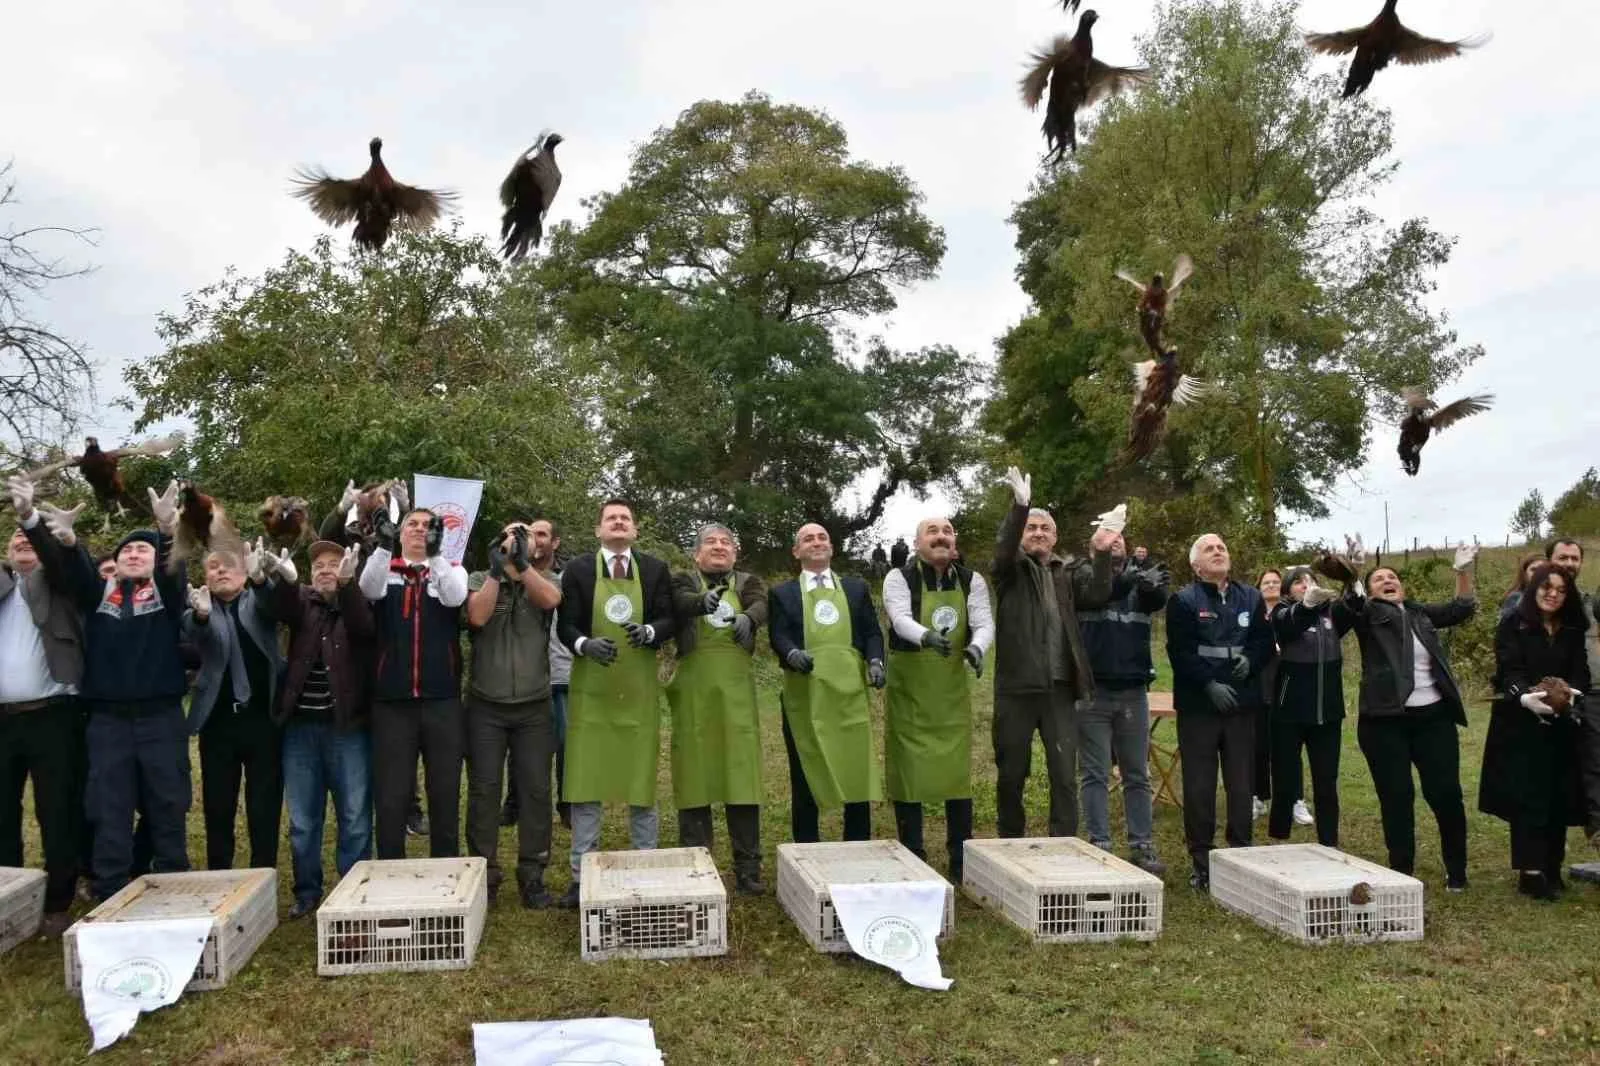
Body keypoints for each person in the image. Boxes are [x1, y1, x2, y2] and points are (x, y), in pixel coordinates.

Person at [56, 481, 192, 900]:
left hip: (160, 719)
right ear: (116, 562)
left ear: (155, 562)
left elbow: (175, 574)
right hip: (108, 723)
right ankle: (110, 888)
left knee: (167, 803)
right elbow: (75, 570)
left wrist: (167, 531)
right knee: (109, 808)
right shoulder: (100, 597)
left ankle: (172, 883)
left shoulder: (167, 597)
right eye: (126, 551)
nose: (133, 554)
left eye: (143, 550)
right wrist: (66, 541)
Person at [557, 499, 676, 907]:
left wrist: (649, 631)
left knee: (640, 778)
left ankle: (646, 863)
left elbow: (670, 618)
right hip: (593, 689)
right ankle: (580, 874)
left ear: (635, 530)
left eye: (626, 518)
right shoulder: (577, 570)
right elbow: (565, 623)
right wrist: (583, 644)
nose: (619, 523)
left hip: (638, 689)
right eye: (612, 518)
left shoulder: (656, 569)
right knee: (586, 780)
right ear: (599, 530)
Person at [990, 468, 1114, 839]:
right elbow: (1003, 550)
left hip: (1060, 689)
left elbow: (1097, 594)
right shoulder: (1009, 570)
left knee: (1063, 774)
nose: (1039, 533)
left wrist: (1104, 554)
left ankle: (1065, 844)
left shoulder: (1066, 571)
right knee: (1012, 772)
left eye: (1045, 528)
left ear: (1056, 537)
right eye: (1032, 528)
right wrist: (1020, 509)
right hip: (1016, 688)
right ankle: (1009, 843)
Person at [1345, 546, 1477, 892]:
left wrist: (1462, 570)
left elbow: (1461, 609)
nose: (1388, 580)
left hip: (1434, 719)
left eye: (1392, 577)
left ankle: (1457, 871)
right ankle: (1401, 870)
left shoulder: (1419, 613)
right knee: (1397, 796)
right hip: (1385, 721)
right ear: (1372, 590)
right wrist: (1355, 574)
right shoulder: (1369, 614)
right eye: (1380, 579)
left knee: (1446, 794)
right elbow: (1351, 607)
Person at [883, 517, 994, 882]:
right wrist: (926, 636)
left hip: (950, 691)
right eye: (932, 532)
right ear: (917, 544)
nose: (941, 537)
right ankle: (912, 852)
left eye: (947, 531)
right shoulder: (899, 578)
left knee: (955, 775)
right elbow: (899, 618)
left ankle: (961, 855)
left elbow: (983, 622)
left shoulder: (971, 580)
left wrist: (977, 648)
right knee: (909, 772)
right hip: (911, 691)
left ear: (955, 542)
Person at [269, 539, 374, 919]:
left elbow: (364, 627)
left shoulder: (357, 603)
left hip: (348, 729)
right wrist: (284, 581)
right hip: (300, 731)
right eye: (319, 566)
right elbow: (278, 606)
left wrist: (348, 587)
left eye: (334, 564)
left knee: (355, 816)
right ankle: (307, 891)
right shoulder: (302, 603)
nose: (326, 570)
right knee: (302, 820)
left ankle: (353, 890)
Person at [2, 477, 87, 934]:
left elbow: (63, 563)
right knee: (2, 814)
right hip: (3, 721)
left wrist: (32, 520)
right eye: (15, 539)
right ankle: (10, 898)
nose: (22, 544)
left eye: (29, 540)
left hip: (53, 716)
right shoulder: (2, 586)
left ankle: (57, 901)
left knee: (56, 811)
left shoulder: (58, 586)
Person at [359, 507, 468, 860]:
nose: (420, 530)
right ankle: (391, 867)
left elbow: (454, 598)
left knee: (445, 789)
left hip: (442, 699)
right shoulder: (384, 570)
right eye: (413, 524)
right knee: (392, 792)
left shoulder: (452, 569)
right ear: (401, 532)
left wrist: (435, 557)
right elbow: (367, 590)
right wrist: (382, 547)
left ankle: (447, 868)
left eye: (429, 526)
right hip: (392, 701)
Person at [1165, 533, 1274, 889]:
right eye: (1209, 549)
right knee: (1199, 785)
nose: (1218, 551)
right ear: (1196, 565)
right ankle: (1203, 862)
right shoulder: (1182, 600)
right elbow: (1180, 652)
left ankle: (1241, 854)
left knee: (1242, 783)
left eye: (1222, 547)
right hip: (1200, 706)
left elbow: (1262, 641)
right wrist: (1208, 685)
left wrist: (1251, 660)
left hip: (1242, 704)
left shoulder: (1252, 597)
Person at [464, 519, 563, 908]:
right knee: (484, 790)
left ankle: (533, 875)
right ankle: (485, 874)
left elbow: (551, 601)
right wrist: (495, 569)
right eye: (512, 533)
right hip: (485, 705)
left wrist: (522, 567)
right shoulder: (476, 577)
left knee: (536, 791)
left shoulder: (545, 578)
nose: (519, 540)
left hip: (534, 705)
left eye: (527, 535)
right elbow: (476, 617)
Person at [769, 522, 886, 843]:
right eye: (808, 539)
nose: (816, 542)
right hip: (805, 694)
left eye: (822, 537)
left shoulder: (855, 588)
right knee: (806, 766)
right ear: (797, 552)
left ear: (832, 548)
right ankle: (807, 846)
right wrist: (791, 653)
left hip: (849, 694)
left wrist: (875, 661)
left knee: (854, 765)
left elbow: (872, 632)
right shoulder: (782, 593)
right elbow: (777, 634)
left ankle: (858, 842)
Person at [1479, 563, 1590, 900]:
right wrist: (1524, 696)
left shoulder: (1572, 628)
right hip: (1520, 723)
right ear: (1534, 588)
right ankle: (1530, 872)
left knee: (1558, 793)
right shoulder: (1514, 623)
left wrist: (1572, 694)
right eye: (1547, 587)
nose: (1553, 594)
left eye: (1560, 589)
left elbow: (1580, 671)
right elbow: (1508, 669)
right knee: (1529, 797)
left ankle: (1552, 866)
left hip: (1561, 722)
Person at [668, 523, 768, 894]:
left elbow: (761, 602)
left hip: (737, 693)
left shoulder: (748, 581)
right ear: (697, 554)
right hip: (695, 690)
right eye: (710, 542)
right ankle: (696, 861)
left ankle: (748, 867)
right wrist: (701, 603)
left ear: (735, 553)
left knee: (742, 776)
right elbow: (678, 603)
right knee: (694, 773)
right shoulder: (684, 580)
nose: (719, 547)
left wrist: (748, 618)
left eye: (726, 542)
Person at [182, 542, 289, 872]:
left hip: (262, 720)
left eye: (229, 565)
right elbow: (198, 634)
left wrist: (261, 580)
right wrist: (201, 616)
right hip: (218, 722)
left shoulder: (258, 602)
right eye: (213, 567)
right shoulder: (197, 609)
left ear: (244, 572)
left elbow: (276, 606)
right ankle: (219, 872)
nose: (221, 571)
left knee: (264, 803)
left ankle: (263, 872)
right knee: (218, 804)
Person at [1075, 529, 1168, 874]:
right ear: (1093, 544)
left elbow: (1159, 601)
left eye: (1120, 537)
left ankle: (1142, 844)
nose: (1115, 540)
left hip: (1132, 691)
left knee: (1137, 773)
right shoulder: (1083, 576)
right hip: (1092, 691)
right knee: (1095, 773)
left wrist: (1154, 587)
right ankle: (1099, 842)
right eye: (1107, 536)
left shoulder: (1143, 580)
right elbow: (1093, 597)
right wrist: (1124, 581)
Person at [1267, 566, 1356, 847]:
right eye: (1299, 583)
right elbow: (1289, 625)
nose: (1307, 586)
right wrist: (1306, 605)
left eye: (1312, 581)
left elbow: (1355, 605)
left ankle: (1329, 841)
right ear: (1288, 590)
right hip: (1288, 711)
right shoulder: (1281, 612)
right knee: (1285, 777)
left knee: (1326, 780)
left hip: (1327, 712)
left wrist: (1353, 576)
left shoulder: (1331, 614)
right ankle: (1280, 835)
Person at [501, 519, 571, 830]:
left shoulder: (567, 578)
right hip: (523, 676)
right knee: (520, 747)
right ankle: (515, 801)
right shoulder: (507, 574)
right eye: (531, 535)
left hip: (560, 673)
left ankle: (567, 803)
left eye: (543, 535)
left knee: (567, 744)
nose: (537, 541)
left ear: (555, 542)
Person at [1500, 554, 1544, 621]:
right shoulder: (1516, 597)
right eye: (1533, 569)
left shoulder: (1554, 595)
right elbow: (1505, 626)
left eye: (1542, 569)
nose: (1538, 573)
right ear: (1525, 573)